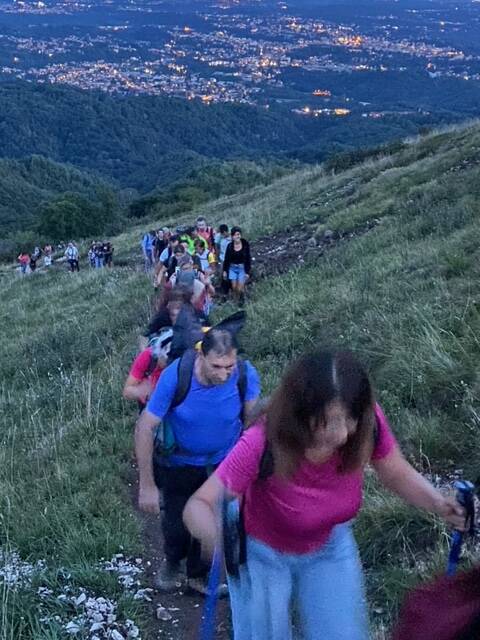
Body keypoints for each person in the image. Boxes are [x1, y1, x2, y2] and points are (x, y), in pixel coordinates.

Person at [183, 350, 466, 640]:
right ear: (300, 414)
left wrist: (438, 503)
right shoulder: (264, 441)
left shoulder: (368, 423)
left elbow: (394, 471)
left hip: (329, 545)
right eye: (328, 421)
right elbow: (200, 503)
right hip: (262, 553)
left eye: (350, 419)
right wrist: (211, 536)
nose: (342, 434)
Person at [135, 325, 260, 595]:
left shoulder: (245, 375)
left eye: (229, 366)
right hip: (179, 464)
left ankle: (198, 576)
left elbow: (252, 422)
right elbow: (145, 427)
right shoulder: (175, 377)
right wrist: (146, 485)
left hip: (223, 464)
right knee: (177, 523)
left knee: (212, 523)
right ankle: (172, 560)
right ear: (201, 356)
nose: (225, 374)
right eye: (217, 366)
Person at [123, 328, 173, 413]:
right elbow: (127, 391)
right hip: (150, 406)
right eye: (165, 359)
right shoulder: (147, 356)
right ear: (158, 352)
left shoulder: (181, 360)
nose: (167, 364)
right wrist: (141, 391)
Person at [223, 226, 251, 304]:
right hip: (232, 268)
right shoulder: (229, 246)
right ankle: (237, 301)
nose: (237, 236)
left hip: (242, 268)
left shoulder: (245, 244)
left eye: (238, 234)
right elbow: (226, 259)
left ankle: (241, 298)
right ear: (232, 237)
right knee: (234, 287)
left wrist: (247, 272)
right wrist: (225, 271)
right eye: (235, 235)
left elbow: (248, 258)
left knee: (239, 288)